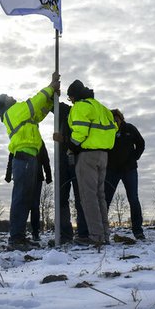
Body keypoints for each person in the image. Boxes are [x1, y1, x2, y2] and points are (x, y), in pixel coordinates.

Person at [0, 72, 59, 251]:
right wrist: (50, 87)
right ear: (6, 103)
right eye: (9, 97)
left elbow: (38, 113)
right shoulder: (14, 111)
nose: (13, 97)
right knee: (21, 199)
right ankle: (15, 239)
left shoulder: (18, 114)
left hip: (28, 159)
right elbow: (34, 102)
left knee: (24, 199)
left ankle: (19, 237)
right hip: (25, 159)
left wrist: (51, 99)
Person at [53, 80, 116, 246]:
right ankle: (104, 235)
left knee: (88, 198)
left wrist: (68, 145)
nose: (71, 102)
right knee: (99, 196)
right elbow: (112, 131)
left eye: (71, 98)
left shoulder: (81, 107)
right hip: (103, 155)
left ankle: (95, 236)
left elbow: (80, 133)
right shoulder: (101, 108)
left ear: (74, 96)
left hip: (87, 156)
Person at [105, 108, 146, 240]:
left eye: (116, 118)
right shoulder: (107, 131)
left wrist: (135, 157)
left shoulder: (130, 129)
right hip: (112, 171)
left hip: (129, 170)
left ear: (121, 118)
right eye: (112, 119)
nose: (115, 120)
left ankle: (138, 231)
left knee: (133, 199)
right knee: (105, 199)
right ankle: (102, 230)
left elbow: (141, 143)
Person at [5, 139, 52, 243]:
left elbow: (45, 159)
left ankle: (35, 233)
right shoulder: (19, 141)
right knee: (22, 203)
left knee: (34, 206)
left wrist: (48, 175)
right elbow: (12, 156)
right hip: (23, 175)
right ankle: (19, 233)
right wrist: (8, 174)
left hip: (37, 177)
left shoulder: (38, 141)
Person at [56, 102, 88, 243]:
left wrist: (64, 140)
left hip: (78, 158)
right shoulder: (63, 111)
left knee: (80, 197)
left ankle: (83, 233)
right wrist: (54, 88)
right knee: (62, 197)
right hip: (62, 161)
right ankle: (65, 234)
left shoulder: (83, 113)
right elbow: (52, 102)